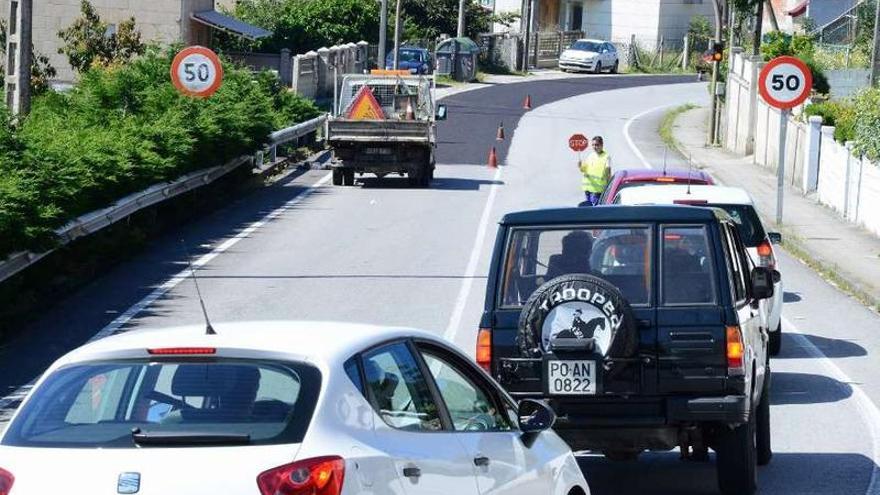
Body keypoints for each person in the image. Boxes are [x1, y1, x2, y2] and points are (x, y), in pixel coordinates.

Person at [578, 136, 612, 206]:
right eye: (593, 145)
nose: (594, 147)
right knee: (587, 209)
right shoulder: (590, 155)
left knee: (593, 210)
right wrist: (580, 166)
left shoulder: (606, 157)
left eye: (597, 145)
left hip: (597, 190)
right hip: (587, 188)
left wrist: (609, 187)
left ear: (602, 145)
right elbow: (584, 169)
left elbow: (608, 172)